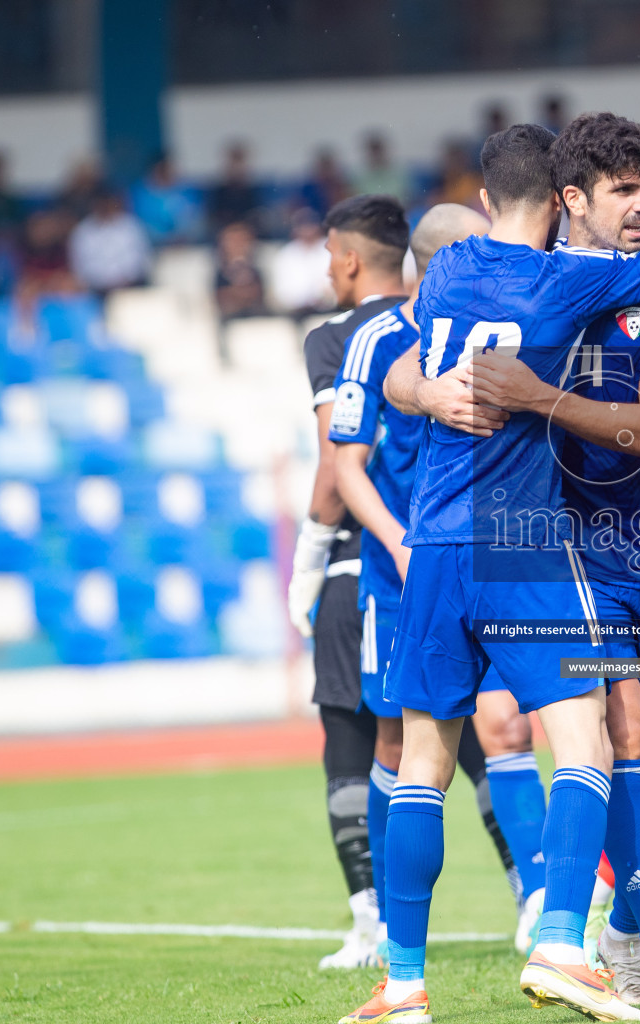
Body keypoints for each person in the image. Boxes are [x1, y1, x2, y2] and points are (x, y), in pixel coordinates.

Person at [346, 123, 640, 1024]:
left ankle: (403, 986)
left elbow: (405, 362)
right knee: (588, 740)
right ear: (563, 201)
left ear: (483, 200)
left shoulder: (446, 272)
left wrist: (425, 391)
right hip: (520, 538)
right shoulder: (569, 277)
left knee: (423, 763)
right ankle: (561, 944)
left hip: (430, 542)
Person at [461, 112, 640, 1011]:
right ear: (570, 197)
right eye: (623, 192)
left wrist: (538, 395)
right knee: (614, 733)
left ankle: (622, 929)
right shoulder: (529, 284)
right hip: (569, 546)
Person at [316, 197, 529, 971]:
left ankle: (537, 904)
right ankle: (378, 918)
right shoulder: (377, 340)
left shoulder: (498, 329)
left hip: (496, 560)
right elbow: (346, 465)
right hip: (402, 571)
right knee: (398, 737)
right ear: (442, 262)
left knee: (509, 726)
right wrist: (402, 543)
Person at [292, 194, 413, 973]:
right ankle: (534, 899)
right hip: (461, 549)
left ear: (346, 258)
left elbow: (338, 475)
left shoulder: (338, 336)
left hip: (367, 563)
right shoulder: (430, 321)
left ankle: (374, 924)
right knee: (483, 741)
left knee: (359, 736)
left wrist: (305, 559)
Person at [68, 188, 152, 296]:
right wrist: (104, 282)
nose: (106, 208)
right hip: (97, 291)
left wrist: (126, 279)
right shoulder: (82, 232)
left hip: (131, 286)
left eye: (109, 204)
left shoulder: (131, 226)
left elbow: (142, 258)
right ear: (94, 206)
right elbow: (80, 267)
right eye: (102, 204)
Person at [269, 208, 336, 316]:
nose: (307, 230)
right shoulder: (286, 254)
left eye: (310, 225)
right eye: (302, 226)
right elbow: (281, 292)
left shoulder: (331, 248)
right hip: (296, 314)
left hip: (330, 310)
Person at [213, 222, 266, 322]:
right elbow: (220, 299)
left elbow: (259, 295)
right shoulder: (220, 272)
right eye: (233, 240)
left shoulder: (255, 271)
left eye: (242, 240)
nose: (238, 244)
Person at [208, 142, 263, 236]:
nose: (237, 168)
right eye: (233, 163)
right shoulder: (218, 193)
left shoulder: (255, 193)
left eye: (240, 163)